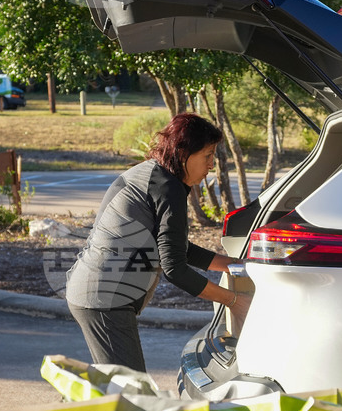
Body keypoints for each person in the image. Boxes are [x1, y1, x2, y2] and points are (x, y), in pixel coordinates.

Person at [66, 112, 252, 371]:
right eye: (208, 155)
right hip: (103, 300)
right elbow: (175, 269)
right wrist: (234, 300)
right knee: (132, 391)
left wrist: (233, 265)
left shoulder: (157, 176)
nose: (212, 165)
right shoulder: (167, 187)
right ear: (185, 153)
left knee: (117, 386)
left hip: (96, 293)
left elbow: (176, 249)